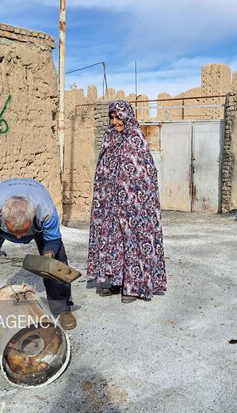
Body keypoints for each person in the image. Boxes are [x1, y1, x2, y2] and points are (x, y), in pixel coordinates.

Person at [0, 178, 75, 339]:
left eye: (22, 231)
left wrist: (47, 259)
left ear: (33, 216)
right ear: (3, 215)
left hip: (35, 222)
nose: (18, 237)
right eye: (14, 231)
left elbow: (52, 239)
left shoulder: (46, 212)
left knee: (57, 264)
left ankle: (62, 308)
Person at [87, 100, 167, 303]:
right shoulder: (109, 139)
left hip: (134, 206)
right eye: (111, 118)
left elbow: (146, 173)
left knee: (133, 239)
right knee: (114, 239)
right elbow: (103, 170)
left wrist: (135, 199)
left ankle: (135, 286)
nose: (114, 122)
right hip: (112, 203)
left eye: (118, 117)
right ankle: (117, 281)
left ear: (127, 116)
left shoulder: (135, 139)